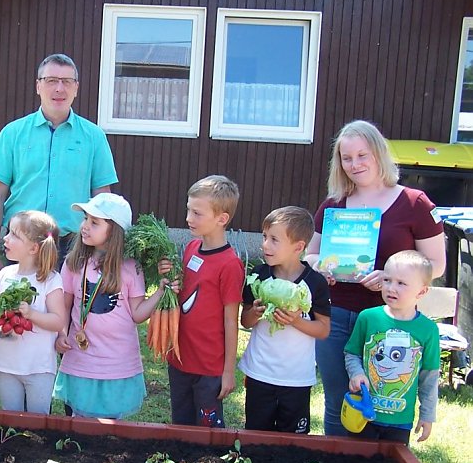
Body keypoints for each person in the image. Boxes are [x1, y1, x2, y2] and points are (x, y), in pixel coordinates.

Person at [305, 120, 445, 437]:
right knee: (339, 401)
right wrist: (322, 265)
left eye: (362, 155)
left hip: (392, 322)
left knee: (384, 404)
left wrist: (392, 275)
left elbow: (436, 264)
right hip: (336, 315)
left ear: (379, 153)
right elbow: (310, 255)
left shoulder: (415, 203)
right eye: (346, 157)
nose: (354, 164)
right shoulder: (333, 205)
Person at [0, 53, 119, 282]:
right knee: (16, 314)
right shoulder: (12, 133)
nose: (59, 89)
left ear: (76, 88)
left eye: (67, 82)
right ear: (38, 86)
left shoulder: (93, 136)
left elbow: (103, 199)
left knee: (67, 315)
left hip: (74, 246)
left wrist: (103, 250)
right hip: (21, 243)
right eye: (51, 80)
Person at [54, 193, 172, 419]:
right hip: (82, 358)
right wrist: (60, 334)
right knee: (80, 420)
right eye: (86, 219)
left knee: (110, 425)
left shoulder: (130, 267)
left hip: (118, 361)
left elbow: (137, 314)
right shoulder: (73, 263)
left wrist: (159, 292)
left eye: (94, 222)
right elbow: (64, 306)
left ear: (115, 231)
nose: (85, 226)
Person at [238, 207, 331, 434]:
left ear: (298, 247)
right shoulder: (259, 274)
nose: (265, 245)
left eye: (274, 240)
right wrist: (256, 313)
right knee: (256, 436)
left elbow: (323, 329)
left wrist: (295, 321)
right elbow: (245, 320)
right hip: (259, 373)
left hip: (296, 379)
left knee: (293, 442)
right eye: (264, 237)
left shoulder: (315, 283)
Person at [162, 176, 243, 428]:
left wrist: (228, 371)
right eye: (188, 209)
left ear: (222, 219)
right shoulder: (191, 248)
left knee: (207, 431)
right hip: (180, 358)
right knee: (181, 426)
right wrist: (169, 277)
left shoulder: (230, 264)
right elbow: (184, 294)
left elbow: (231, 320)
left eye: (197, 213)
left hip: (209, 367)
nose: (188, 218)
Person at [343, 250, 440, 443]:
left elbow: (429, 376)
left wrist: (427, 415)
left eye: (401, 283)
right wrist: (356, 373)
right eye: (387, 280)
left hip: (400, 420)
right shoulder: (368, 318)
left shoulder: (428, 330)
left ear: (421, 291)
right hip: (363, 413)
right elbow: (351, 353)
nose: (391, 288)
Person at [0, 211, 66, 414]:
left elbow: (58, 321)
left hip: (39, 367)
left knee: (38, 418)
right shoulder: (5, 275)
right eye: (8, 232)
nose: (6, 238)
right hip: (6, 362)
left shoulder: (50, 280)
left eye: (14, 235)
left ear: (34, 248)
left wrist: (31, 314)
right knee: (10, 416)